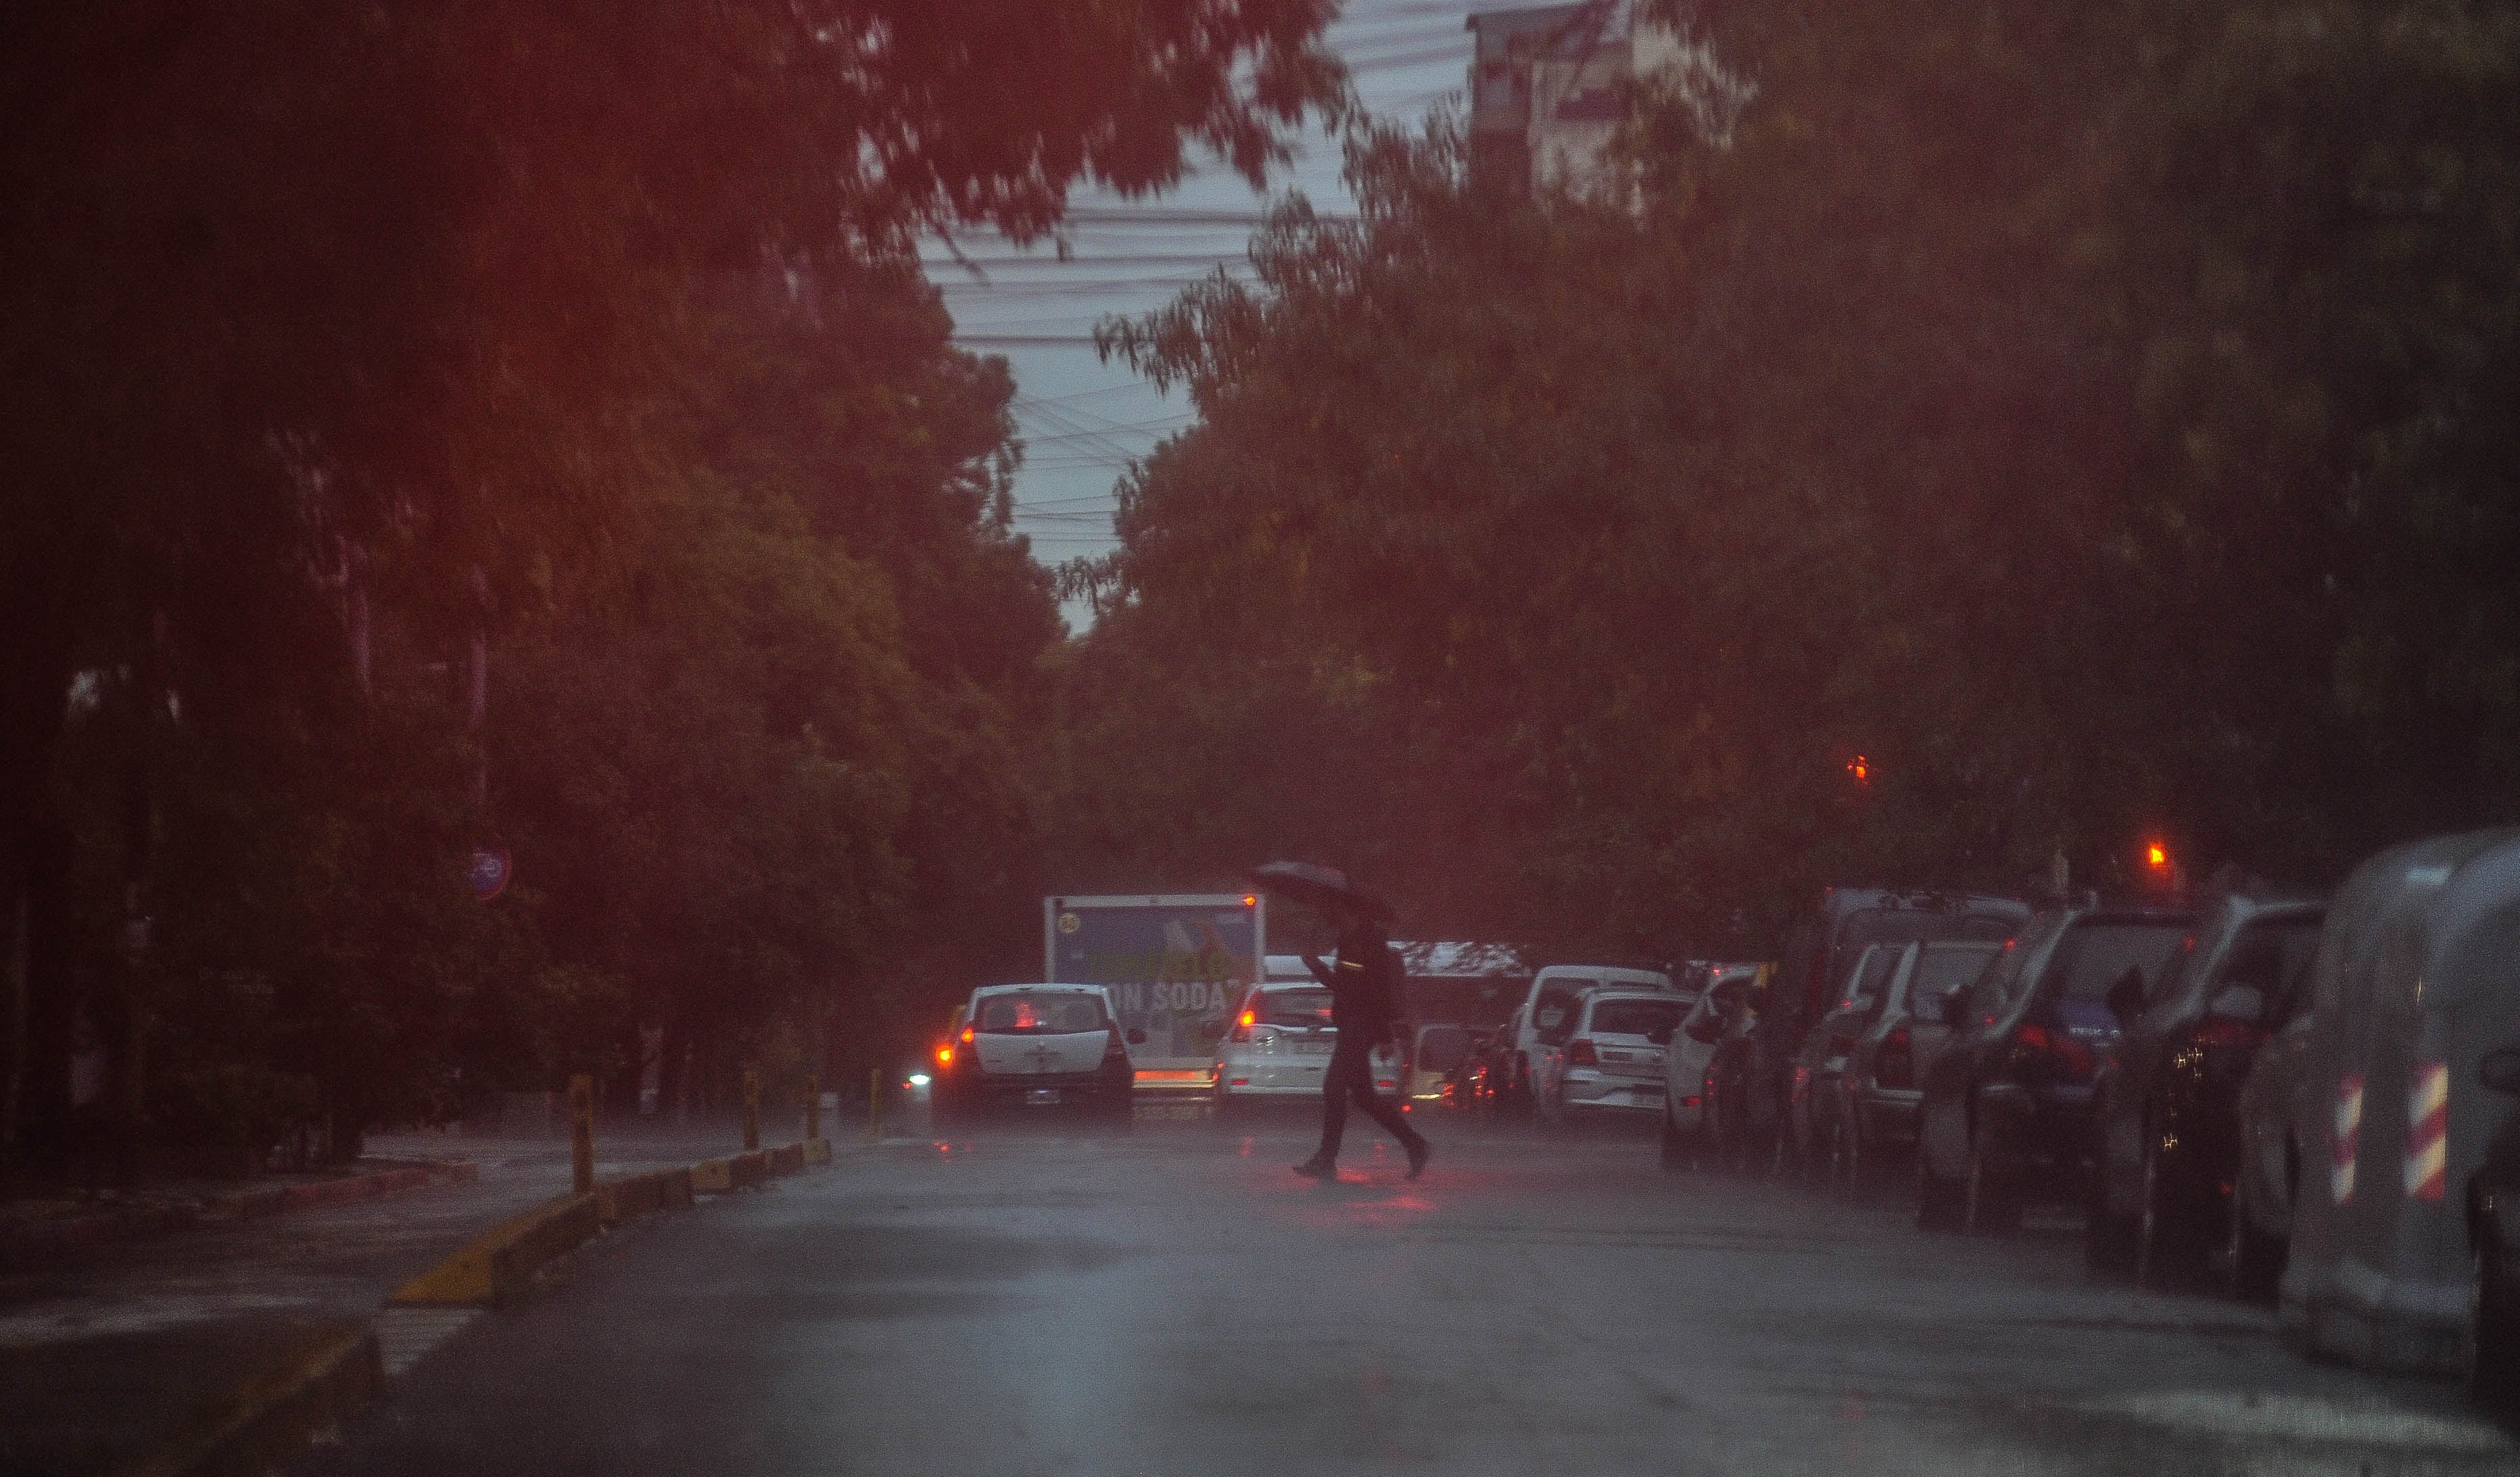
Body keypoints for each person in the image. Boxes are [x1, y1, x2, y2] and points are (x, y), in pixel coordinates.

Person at [1291, 902, 1431, 1181]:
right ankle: (1415, 1145)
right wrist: (1316, 966)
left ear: (1354, 915)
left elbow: (1373, 995)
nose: (1333, 919)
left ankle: (1326, 1158)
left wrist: (1383, 1036)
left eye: (1339, 914)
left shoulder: (1368, 946)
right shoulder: (1351, 942)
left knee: (1333, 1086)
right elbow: (1346, 987)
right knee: (1365, 1098)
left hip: (1360, 1027)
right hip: (1353, 1025)